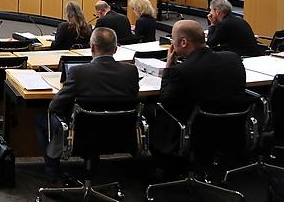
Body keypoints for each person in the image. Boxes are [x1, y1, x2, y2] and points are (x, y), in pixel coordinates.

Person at [38, 28, 139, 183]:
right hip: (118, 135)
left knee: (42, 121)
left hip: (81, 136)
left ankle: (54, 175)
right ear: (116, 48)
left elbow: (54, 107)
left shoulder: (78, 72)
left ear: (92, 47)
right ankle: (93, 166)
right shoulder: (131, 71)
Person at [151, 20, 246, 160]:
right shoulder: (233, 58)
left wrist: (169, 68)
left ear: (183, 42)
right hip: (234, 128)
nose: (172, 43)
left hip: (199, 132)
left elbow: (165, 100)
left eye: (173, 39)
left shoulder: (181, 71)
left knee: (152, 110)